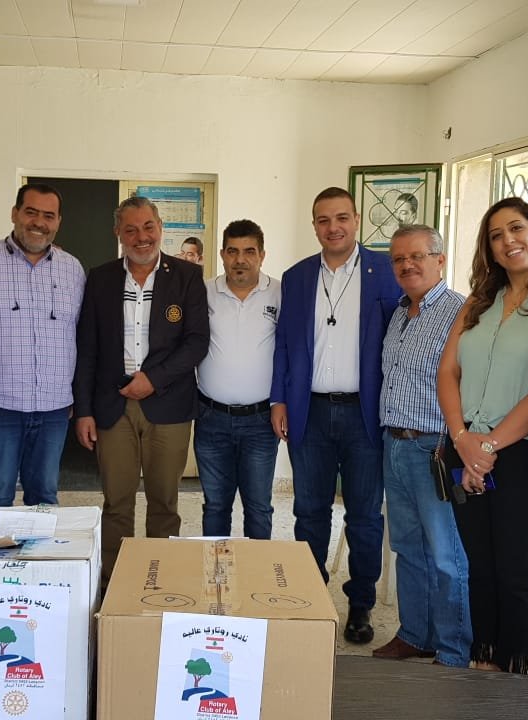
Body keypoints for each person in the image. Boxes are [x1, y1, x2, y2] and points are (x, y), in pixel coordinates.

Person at [270, 186, 404, 644]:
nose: (334, 228)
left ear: (357, 220)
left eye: (342, 218)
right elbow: (284, 344)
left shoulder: (385, 271)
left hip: (364, 414)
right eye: (324, 220)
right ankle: (310, 598)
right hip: (309, 411)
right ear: (314, 226)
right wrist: (278, 400)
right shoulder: (296, 277)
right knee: (309, 512)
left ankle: (360, 604)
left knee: (365, 516)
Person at [436, 198, 528, 674]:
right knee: (479, 566)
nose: (507, 240)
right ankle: (484, 663)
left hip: (519, 456)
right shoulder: (477, 303)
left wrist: (486, 448)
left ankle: (522, 673)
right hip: (464, 447)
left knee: (515, 570)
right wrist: (462, 438)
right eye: (495, 235)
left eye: (516, 228)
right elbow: (448, 372)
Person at [73, 196, 208, 583]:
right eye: (130, 229)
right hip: (112, 406)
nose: (141, 237)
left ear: (160, 227)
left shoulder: (186, 276)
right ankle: (115, 583)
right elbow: (87, 348)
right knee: (116, 502)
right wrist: (84, 410)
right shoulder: (100, 278)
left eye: (148, 227)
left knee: (164, 503)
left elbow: (196, 342)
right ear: (118, 232)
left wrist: (154, 378)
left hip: (169, 404)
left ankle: (159, 582)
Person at [369, 225, 470, 665]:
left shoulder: (460, 312)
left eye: (417, 256)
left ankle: (453, 649)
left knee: (446, 554)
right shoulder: (399, 313)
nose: (407, 265)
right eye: (398, 259)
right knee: (408, 549)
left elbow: (467, 383)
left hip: (435, 448)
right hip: (394, 444)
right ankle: (415, 634)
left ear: (440, 260)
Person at [0, 183, 85, 507]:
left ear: (58, 221)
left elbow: (80, 335)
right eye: (31, 212)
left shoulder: (72, 269)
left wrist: (77, 395)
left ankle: (38, 545)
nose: (39, 222)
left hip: (54, 405)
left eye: (48, 216)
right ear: (15, 214)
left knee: (44, 496)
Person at [194, 219, 281, 539]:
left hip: (260, 421)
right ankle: (215, 569)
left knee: (258, 507)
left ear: (262, 255)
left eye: (249, 251)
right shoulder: (204, 292)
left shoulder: (279, 293)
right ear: (222, 254)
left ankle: (256, 570)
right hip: (211, 418)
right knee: (216, 506)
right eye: (232, 251)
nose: (240, 259)